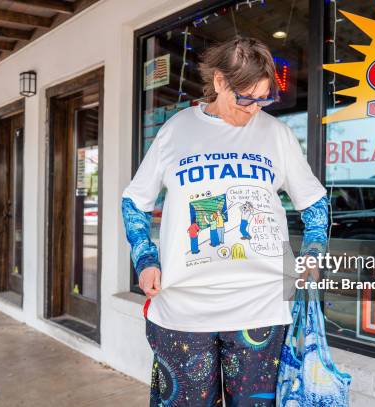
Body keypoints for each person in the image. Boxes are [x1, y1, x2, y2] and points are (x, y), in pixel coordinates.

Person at [121, 37, 328, 406]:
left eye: (263, 98)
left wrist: (312, 254)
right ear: (218, 81)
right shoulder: (176, 130)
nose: (253, 109)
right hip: (183, 307)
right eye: (244, 98)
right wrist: (145, 258)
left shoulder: (276, 134)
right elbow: (134, 201)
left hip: (263, 304)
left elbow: (314, 203)